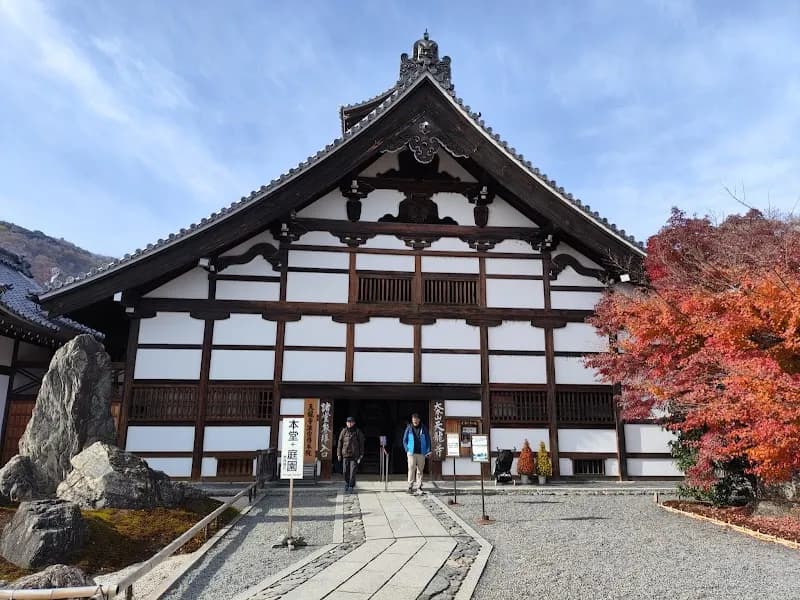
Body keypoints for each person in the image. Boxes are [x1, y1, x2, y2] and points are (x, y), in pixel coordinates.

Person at [403, 413, 431, 495]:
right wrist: (407, 449)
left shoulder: (423, 428)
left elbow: (428, 439)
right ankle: (410, 486)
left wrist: (428, 450)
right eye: (413, 419)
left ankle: (419, 487)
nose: (414, 420)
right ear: (412, 420)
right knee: (411, 468)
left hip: (421, 452)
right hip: (411, 452)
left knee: (420, 470)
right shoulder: (409, 428)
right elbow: (404, 440)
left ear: (419, 420)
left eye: (416, 419)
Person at [337, 416, 365, 493]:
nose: (349, 424)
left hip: (354, 455)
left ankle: (351, 485)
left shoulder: (357, 431)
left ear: (353, 423)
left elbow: (361, 443)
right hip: (345, 454)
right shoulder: (344, 431)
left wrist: (361, 454)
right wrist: (338, 454)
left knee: (352, 471)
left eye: (351, 422)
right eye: (348, 422)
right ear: (346, 423)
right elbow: (340, 442)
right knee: (345, 471)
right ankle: (347, 482)